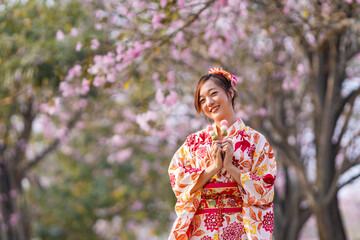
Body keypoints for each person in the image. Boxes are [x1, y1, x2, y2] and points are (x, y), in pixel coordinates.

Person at [168, 68, 277, 240]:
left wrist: (230, 167)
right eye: (202, 100)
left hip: (239, 226)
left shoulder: (256, 140)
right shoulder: (193, 142)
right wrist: (213, 168)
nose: (208, 102)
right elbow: (178, 180)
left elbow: (265, 188)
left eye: (213, 94)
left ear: (230, 93)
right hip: (202, 228)